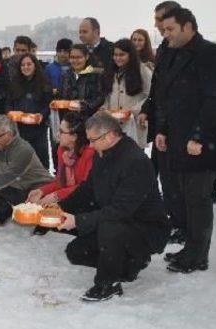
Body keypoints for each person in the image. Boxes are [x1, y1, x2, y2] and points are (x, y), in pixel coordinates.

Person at [153, 7, 216, 273]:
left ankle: (199, 256)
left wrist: (198, 136)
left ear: (188, 26)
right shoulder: (169, 52)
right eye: (164, 30)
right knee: (184, 196)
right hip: (177, 137)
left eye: (170, 29)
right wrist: (162, 129)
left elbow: (213, 100)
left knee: (198, 200)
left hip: (202, 140)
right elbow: (165, 97)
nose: (166, 35)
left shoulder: (210, 53)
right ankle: (191, 247)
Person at [58, 112, 168, 301]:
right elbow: (88, 189)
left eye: (93, 140)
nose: (90, 145)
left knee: (110, 226)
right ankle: (129, 264)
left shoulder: (135, 161)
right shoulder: (103, 153)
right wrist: (60, 208)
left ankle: (107, 284)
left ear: (110, 136)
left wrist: (78, 220)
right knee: (75, 253)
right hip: (118, 221)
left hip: (145, 227)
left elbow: (121, 210)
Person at [137, 0, 184, 242]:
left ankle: (182, 225)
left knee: (175, 178)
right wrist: (147, 108)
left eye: (160, 20)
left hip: (178, 126)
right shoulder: (165, 47)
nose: (156, 25)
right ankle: (172, 218)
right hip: (161, 125)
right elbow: (157, 85)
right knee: (162, 174)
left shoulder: (186, 48)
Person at [28, 112, 94, 205]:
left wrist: (56, 195)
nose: (58, 134)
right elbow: (61, 183)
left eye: (62, 132)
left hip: (86, 202)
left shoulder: (90, 153)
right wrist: (42, 191)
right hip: (69, 199)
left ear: (74, 137)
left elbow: (85, 188)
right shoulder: (62, 150)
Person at [102, 39, 152, 148]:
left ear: (131, 55)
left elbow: (151, 95)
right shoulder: (112, 72)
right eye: (115, 55)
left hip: (134, 122)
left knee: (133, 157)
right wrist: (104, 108)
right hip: (114, 123)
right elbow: (107, 95)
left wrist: (133, 110)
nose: (118, 58)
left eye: (122, 55)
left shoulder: (143, 71)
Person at [5, 53, 52, 169]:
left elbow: (48, 104)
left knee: (41, 160)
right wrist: (11, 114)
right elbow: (8, 104)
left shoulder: (44, 83)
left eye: (29, 64)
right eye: (23, 65)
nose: (26, 67)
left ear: (35, 65)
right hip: (19, 129)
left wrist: (41, 115)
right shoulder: (14, 84)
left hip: (38, 128)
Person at [60, 44, 104, 117]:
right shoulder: (66, 74)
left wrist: (83, 106)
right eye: (72, 57)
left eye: (79, 57)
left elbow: (100, 97)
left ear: (86, 57)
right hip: (69, 118)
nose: (75, 60)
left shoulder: (96, 74)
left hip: (90, 118)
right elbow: (63, 96)